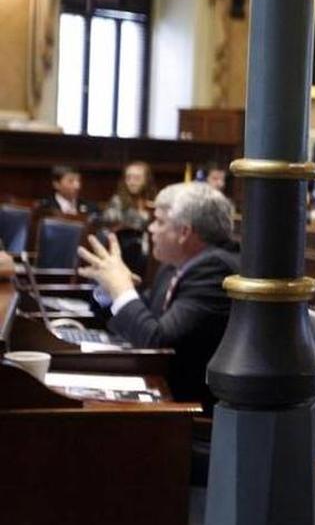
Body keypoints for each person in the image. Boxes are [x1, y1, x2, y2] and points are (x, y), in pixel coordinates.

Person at [78, 182, 239, 409]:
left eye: (160, 222)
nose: (151, 228)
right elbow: (145, 320)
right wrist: (111, 290)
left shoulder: (215, 271)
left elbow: (157, 343)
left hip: (189, 410)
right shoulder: (175, 265)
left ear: (184, 232)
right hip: (160, 389)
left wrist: (123, 291)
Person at [102, 161, 156, 231]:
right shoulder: (117, 201)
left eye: (137, 178)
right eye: (128, 178)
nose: (131, 182)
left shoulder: (153, 201)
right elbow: (108, 223)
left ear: (146, 180)